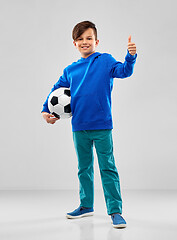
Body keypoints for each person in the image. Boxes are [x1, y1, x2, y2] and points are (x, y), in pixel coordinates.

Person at [41, 21, 137, 228]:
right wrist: (45, 110)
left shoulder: (105, 60)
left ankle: (115, 211)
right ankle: (86, 206)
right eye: (80, 39)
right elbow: (55, 90)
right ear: (74, 43)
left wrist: (130, 57)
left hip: (102, 126)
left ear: (96, 41)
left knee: (107, 168)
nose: (85, 42)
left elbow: (124, 71)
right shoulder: (70, 70)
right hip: (79, 127)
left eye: (89, 38)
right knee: (83, 168)